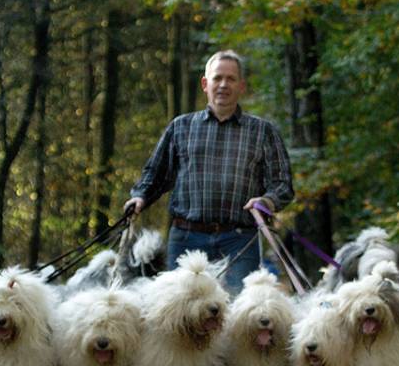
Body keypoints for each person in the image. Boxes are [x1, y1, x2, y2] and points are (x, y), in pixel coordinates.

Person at [124, 50, 294, 294]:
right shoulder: (181, 127)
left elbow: (283, 184)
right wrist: (140, 197)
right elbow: (156, 173)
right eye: (217, 78)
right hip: (186, 238)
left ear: (241, 86)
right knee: (180, 312)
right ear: (205, 84)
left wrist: (267, 200)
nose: (223, 84)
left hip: (240, 240)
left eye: (231, 79)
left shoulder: (263, 131)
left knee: (237, 313)